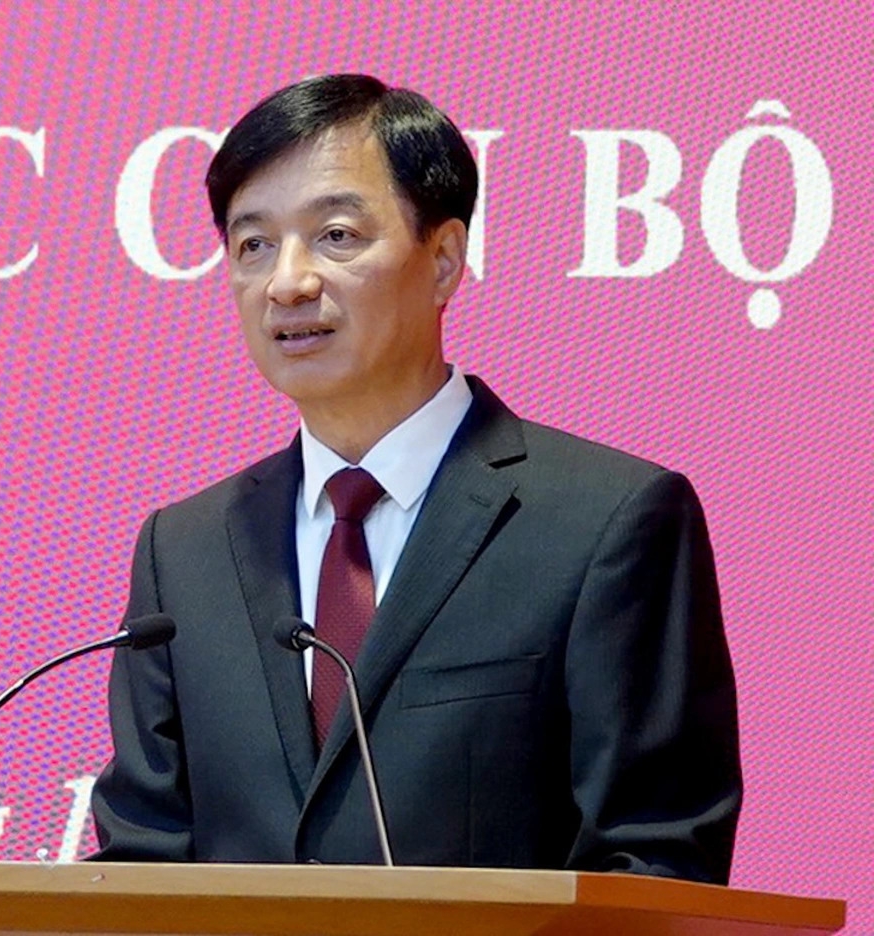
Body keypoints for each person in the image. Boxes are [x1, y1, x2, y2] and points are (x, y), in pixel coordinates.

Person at [90, 74, 741, 883]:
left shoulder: (606, 522)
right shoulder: (185, 550)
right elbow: (141, 865)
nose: (287, 282)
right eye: (253, 244)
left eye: (335, 235)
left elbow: (656, 861)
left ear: (443, 259)